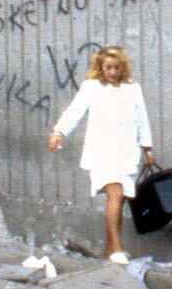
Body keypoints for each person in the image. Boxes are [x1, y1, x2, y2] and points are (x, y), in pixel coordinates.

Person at [47, 45, 158, 263]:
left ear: (122, 67)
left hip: (126, 152)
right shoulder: (92, 87)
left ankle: (109, 250)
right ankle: (117, 249)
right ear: (101, 67)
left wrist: (147, 148)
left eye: (116, 68)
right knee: (115, 194)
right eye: (108, 67)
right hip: (102, 151)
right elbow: (75, 111)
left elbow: (142, 118)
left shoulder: (133, 88)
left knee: (121, 199)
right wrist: (59, 132)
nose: (113, 72)